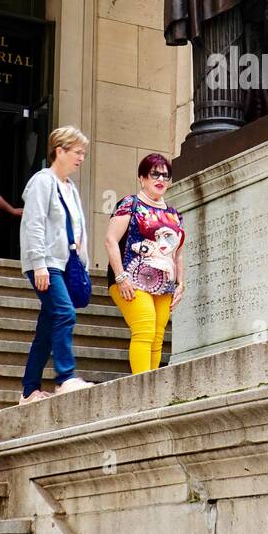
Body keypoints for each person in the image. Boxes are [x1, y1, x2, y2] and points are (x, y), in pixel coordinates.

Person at [18, 126, 94, 405]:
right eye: (77, 152)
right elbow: (33, 225)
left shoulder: (71, 188)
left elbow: (77, 230)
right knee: (64, 313)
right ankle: (65, 377)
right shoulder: (43, 182)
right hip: (46, 263)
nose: (81, 158)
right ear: (59, 151)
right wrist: (38, 264)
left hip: (65, 263)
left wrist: (82, 264)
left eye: (83, 153)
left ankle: (29, 390)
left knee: (48, 325)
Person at [105, 154, 186, 375]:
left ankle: (151, 391)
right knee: (144, 329)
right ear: (142, 178)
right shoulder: (129, 204)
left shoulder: (174, 214)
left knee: (158, 337)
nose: (161, 179)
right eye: (155, 174)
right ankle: (141, 388)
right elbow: (111, 240)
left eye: (166, 175)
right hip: (130, 279)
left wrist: (181, 283)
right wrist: (121, 277)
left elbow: (177, 253)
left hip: (165, 284)